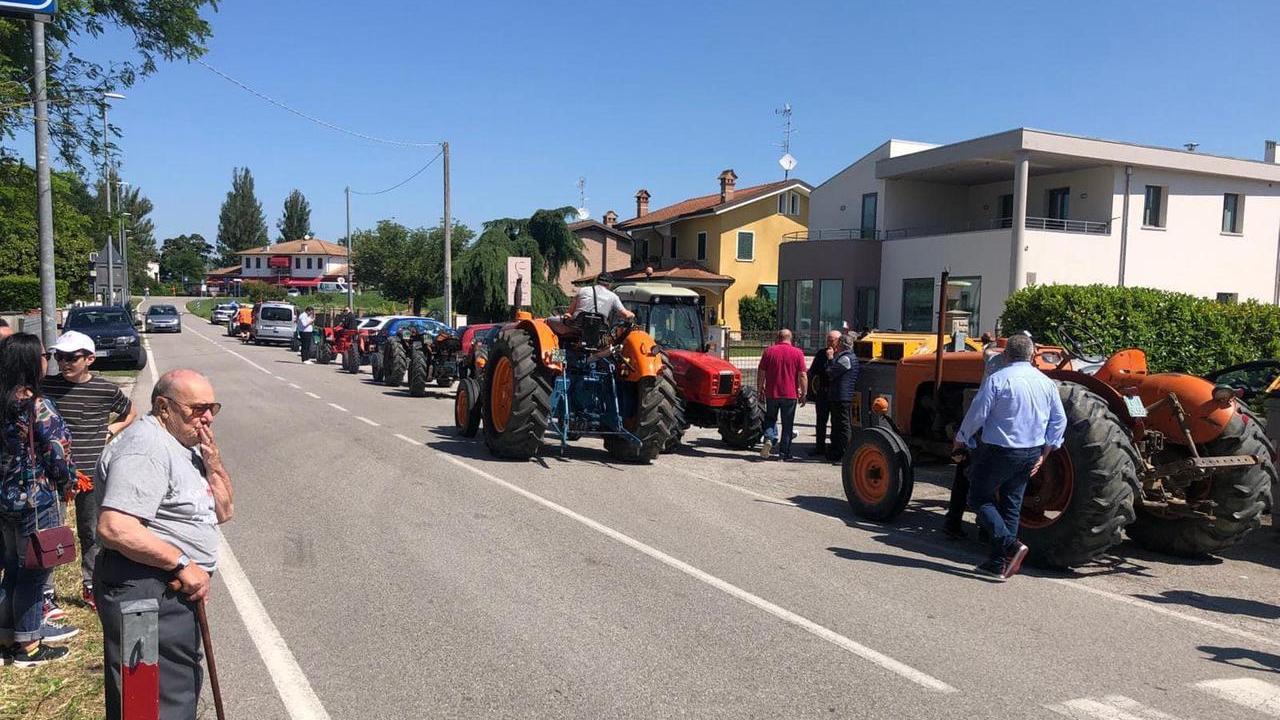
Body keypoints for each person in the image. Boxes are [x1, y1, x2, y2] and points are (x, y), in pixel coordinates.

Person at [96, 369, 234, 719]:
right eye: (197, 408)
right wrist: (183, 564)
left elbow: (224, 510)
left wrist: (213, 459)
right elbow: (116, 527)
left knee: (175, 687)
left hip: (169, 588)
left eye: (212, 408)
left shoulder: (186, 445)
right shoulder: (146, 447)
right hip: (145, 587)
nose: (206, 417)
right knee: (147, 701)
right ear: (163, 407)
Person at [952, 333, 1065, 581]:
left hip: (1000, 450)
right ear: (1032, 355)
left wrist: (962, 437)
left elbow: (977, 413)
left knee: (979, 497)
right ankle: (998, 563)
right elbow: (1059, 420)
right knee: (1011, 504)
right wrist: (1046, 452)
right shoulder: (1046, 383)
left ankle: (1009, 546)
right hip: (1032, 451)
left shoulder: (997, 379)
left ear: (1005, 354)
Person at [41, 331, 137, 612]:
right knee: (49, 532)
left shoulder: (105, 390)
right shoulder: (47, 387)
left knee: (91, 532)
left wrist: (112, 429)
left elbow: (130, 411)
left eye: (71, 357)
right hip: (53, 474)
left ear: (90, 359)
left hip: (90, 474)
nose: (64, 363)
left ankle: (91, 584)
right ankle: (45, 592)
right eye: (59, 357)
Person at [0, 333, 79, 667]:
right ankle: (30, 644)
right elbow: (57, 454)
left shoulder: (3, 402)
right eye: (44, 354)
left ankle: (7, 632)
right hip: (36, 499)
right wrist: (69, 482)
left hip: (5, 499)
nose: (48, 359)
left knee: (14, 569)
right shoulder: (37, 405)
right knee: (34, 570)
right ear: (31, 361)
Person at [756, 329, 807, 461]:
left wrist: (760, 388)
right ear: (790, 338)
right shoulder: (798, 353)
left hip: (772, 392)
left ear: (778, 338)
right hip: (790, 394)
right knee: (787, 424)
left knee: (770, 418)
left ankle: (769, 438)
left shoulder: (769, 351)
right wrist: (804, 392)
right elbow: (802, 375)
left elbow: (761, 371)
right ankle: (784, 454)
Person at [825, 333, 860, 461]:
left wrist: (830, 358)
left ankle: (845, 452)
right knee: (837, 424)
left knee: (842, 425)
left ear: (841, 345)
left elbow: (831, 372)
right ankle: (837, 450)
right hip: (841, 396)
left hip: (841, 396)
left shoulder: (846, 359)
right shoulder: (849, 357)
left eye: (838, 344)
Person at [807, 330, 841, 457]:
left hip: (835, 393)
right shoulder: (821, 353)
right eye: (827, 340)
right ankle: (819, 447)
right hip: (823, 391)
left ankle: (833, 447)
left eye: (831, 340)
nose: (829, 343)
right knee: (821, 421)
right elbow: (813, 371)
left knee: (835, 422)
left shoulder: (841, 355)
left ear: (838, 341)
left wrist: (831, 359)